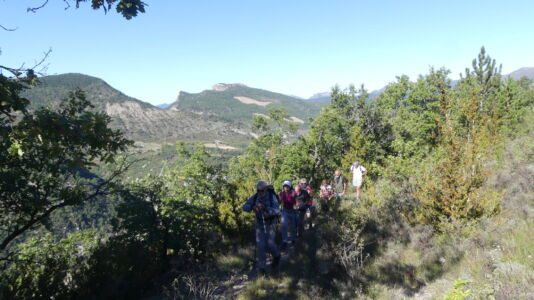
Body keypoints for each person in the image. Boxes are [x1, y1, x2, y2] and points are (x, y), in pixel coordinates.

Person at [242, 180, 281, 275]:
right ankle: (262, 268)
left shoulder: (272, 197)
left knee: (270, 243)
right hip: (259, 222)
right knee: (260, 245)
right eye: (258, 190)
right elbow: (244, 207)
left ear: (266, 189)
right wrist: (253, 207)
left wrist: (266, 208)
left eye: (262, 190)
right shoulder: (255, 197)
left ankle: (277, 256)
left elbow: (277, 210)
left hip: (271, 222)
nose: (260, 192)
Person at [278, 180, 298, 250]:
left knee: (293, 226)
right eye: (285, 186)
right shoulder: (281, 193)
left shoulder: (293, 193)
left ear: (290, 187)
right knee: (284, 225)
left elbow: (296, 201)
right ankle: (284, 241)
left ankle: (293, 240)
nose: (286, 188)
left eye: (287, 186)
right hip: (285, 210)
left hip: (292, 211)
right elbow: (280, 202)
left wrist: (296, 206)